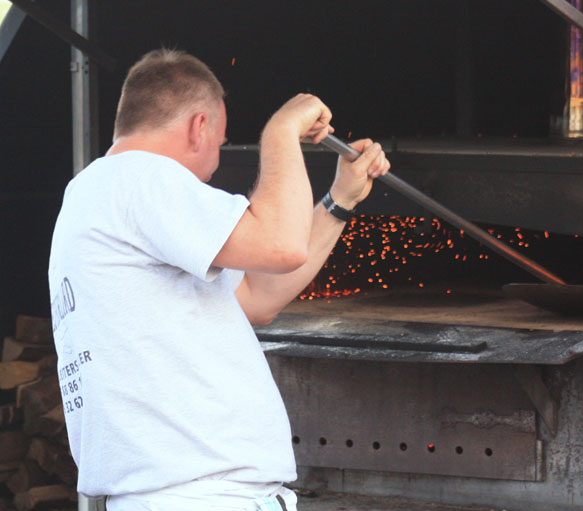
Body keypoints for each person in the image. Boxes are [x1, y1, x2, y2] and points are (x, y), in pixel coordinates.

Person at [47, 49, 390, 511]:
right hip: (198, 498)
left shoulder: (104, 198)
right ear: (199, 126)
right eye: (221, 143)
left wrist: (339, 201)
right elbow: (281, 244)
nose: (214, 165)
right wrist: (281, 130)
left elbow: (255, 296)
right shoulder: (140, 178)